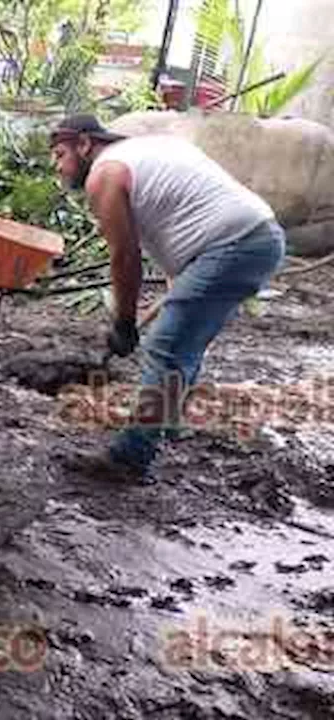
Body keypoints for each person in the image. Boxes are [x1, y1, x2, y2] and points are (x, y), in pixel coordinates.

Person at [50, 114, 286, 483]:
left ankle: (130, 458)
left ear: (84, 145)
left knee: (166, 347)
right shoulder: (147, 151)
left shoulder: (105, 174)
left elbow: (124, 258)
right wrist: (179, 286)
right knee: (183, 344)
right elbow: (186, 214)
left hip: (233, 243)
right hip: (258, 237)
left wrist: (124, 323)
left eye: (60, 154)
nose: (58, 166)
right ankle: (168, 424)